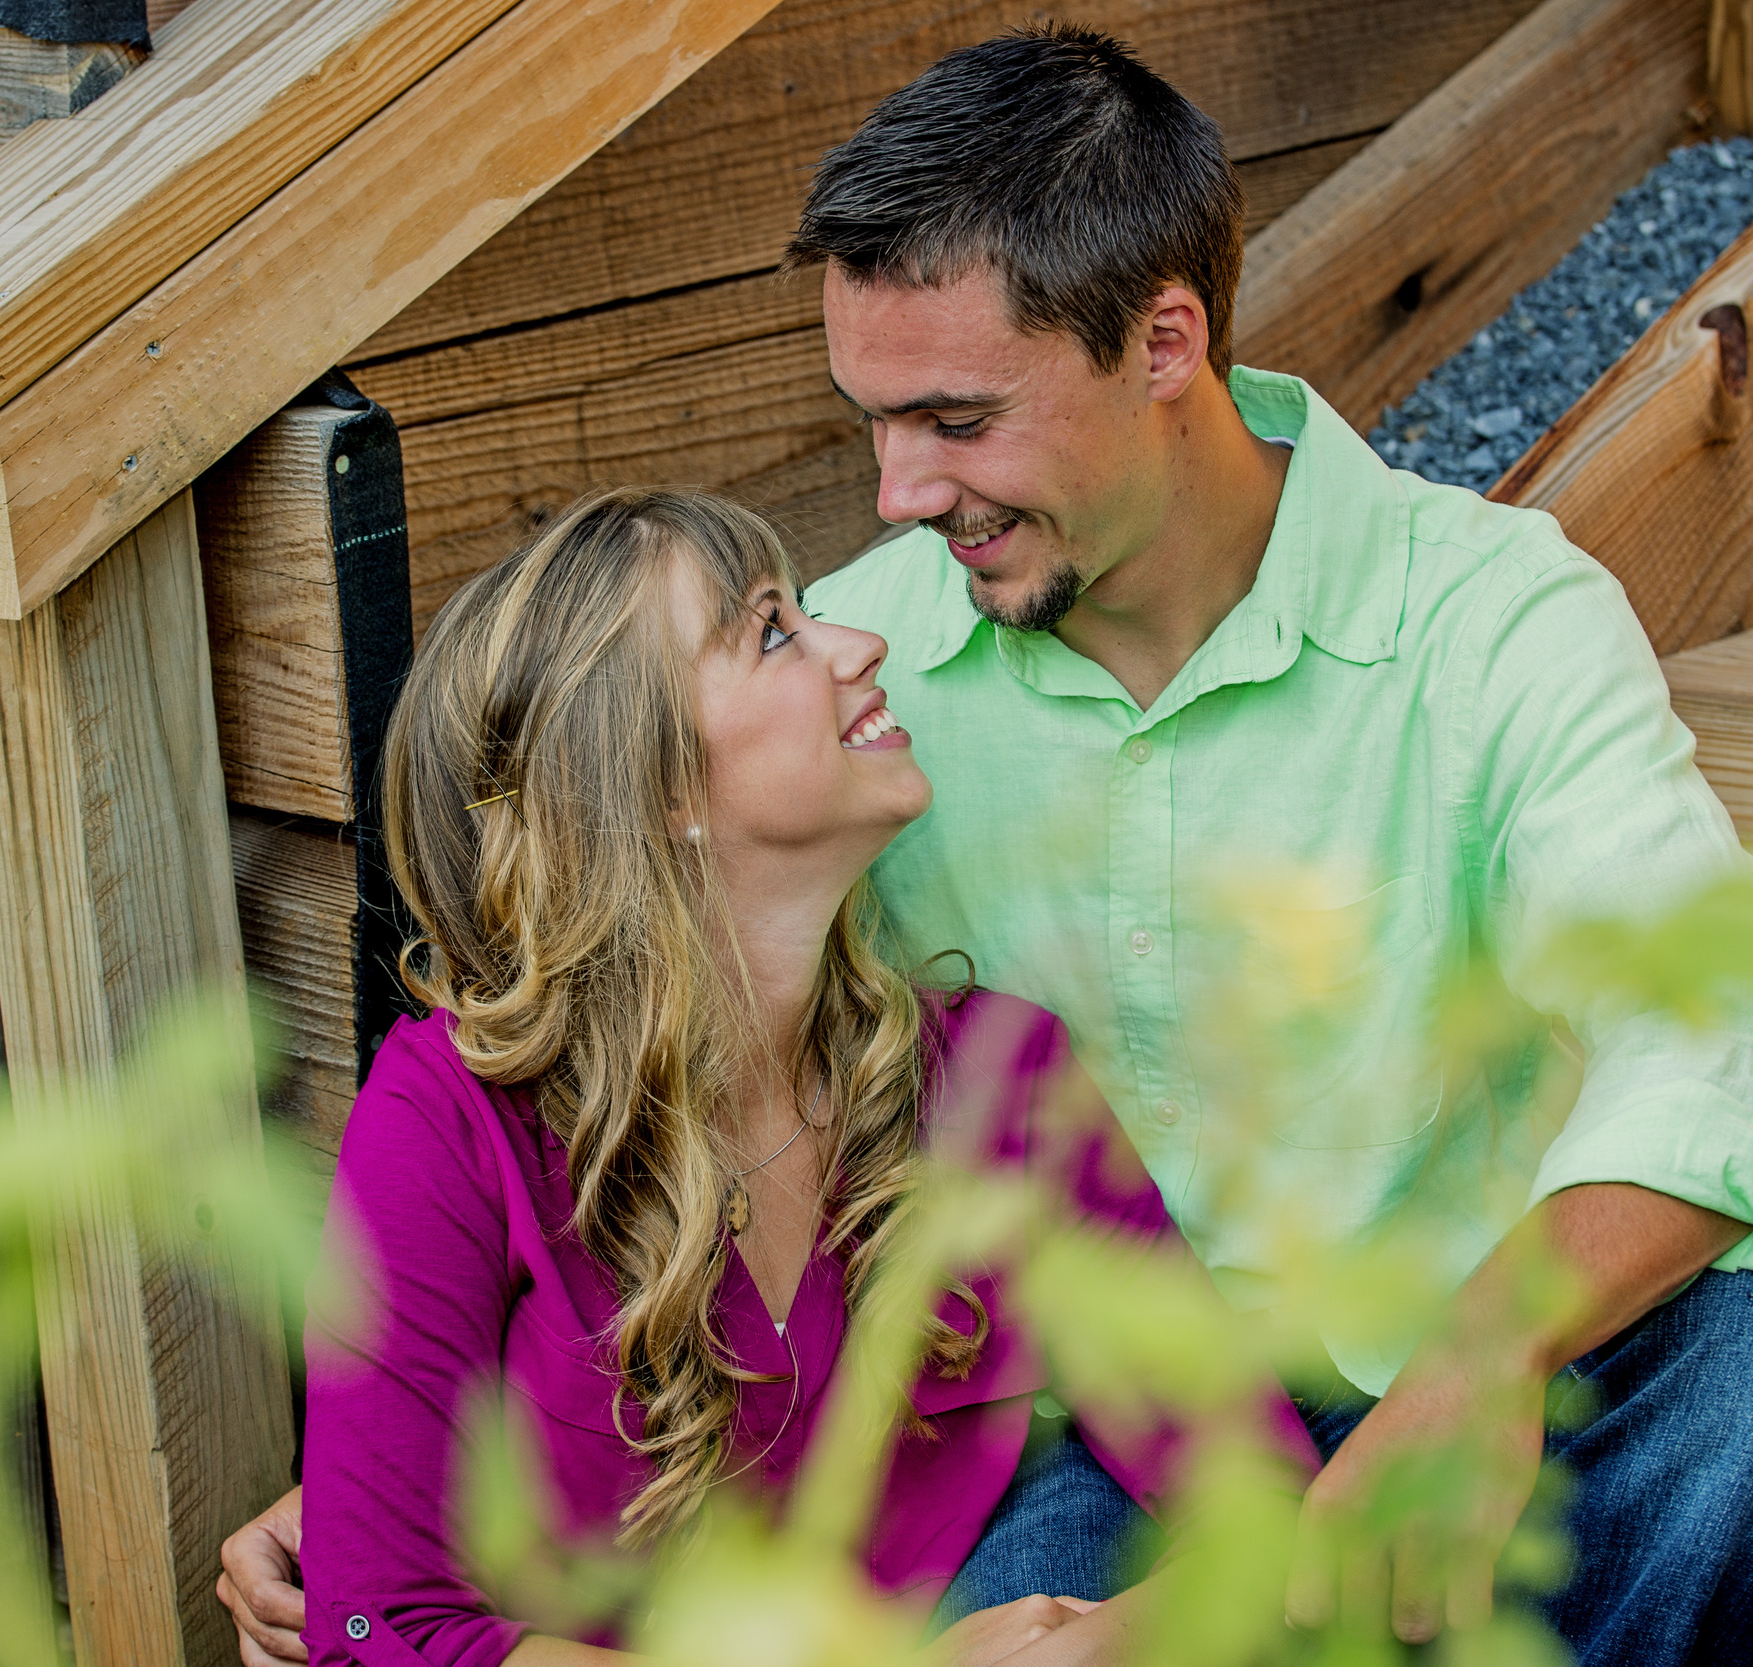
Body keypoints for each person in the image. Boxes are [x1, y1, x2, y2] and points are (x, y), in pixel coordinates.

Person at [223, 24, 1753, 1665]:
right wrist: (393, 1485)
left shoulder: (1492, 620)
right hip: (1100, 1435)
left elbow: (1707, 1030)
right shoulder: (868, 676)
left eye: (953, 418)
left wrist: (1482, 1363)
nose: (891, 496)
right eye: (871, 419)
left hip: (1521, 1358)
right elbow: (646, 1026)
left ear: (1165, 342)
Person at [282, 487, 1314, 1666]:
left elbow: (1262, 1494)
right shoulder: (448, 1118)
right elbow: (376, 1632)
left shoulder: (997, 1080)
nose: (859, 645)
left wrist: (1117, 1640)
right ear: (652, 783)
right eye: (773, 630)